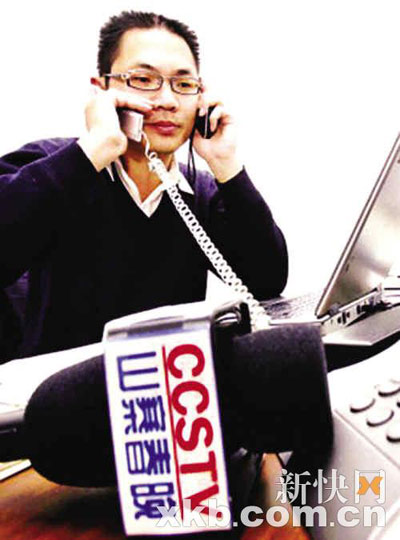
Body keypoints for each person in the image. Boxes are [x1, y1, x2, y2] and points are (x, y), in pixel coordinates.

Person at [0, 10, 288, 359]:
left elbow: (267, 282)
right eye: (143, 79)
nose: (167, 100)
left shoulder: (200, 193)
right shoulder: (52, 166)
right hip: (59, 386)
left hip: (169, 383)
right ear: (102, 89)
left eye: (184, 85)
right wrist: (96, 149)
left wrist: (225, 163)